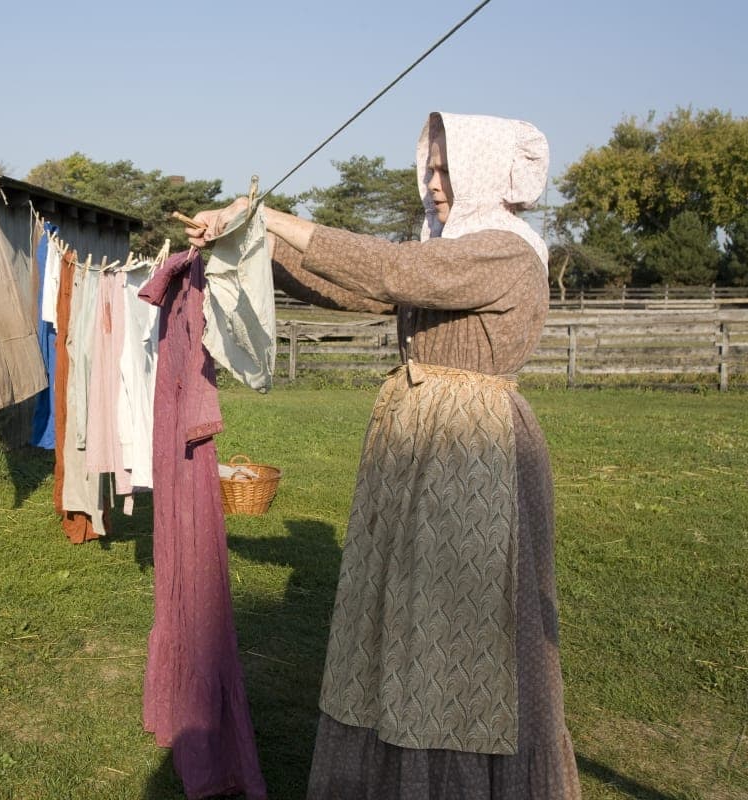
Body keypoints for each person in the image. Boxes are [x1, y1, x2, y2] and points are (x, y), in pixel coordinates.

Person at [187, 112, 582, 799]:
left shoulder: (505, 253)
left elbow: (391, 269)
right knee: (404, 614)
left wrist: (269, 215)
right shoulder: (447, 250)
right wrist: (246, 239)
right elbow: (354, 285)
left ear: (485, 171)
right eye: (428, 169)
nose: (432, 184)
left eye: (446, 169)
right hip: (420, 444)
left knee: (463, 626)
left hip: (473, 450)